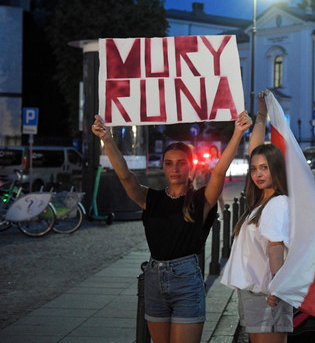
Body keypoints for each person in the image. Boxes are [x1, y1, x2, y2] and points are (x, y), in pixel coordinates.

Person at [91, 111, 251, 343]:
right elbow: (125, 176)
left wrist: (237, 133)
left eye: (180, 163)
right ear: (163, 167)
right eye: (168, 163)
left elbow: (218, 172)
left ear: (190, 166)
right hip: (154, 278)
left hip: (186, 280)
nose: (174, 168)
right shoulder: (151, 198)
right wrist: (107, 139)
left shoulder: (200, 200)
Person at [221, 90, 293, 343]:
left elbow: (275, 248)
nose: (258, 173)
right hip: (256, 292)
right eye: (254, 169)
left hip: (267, 293)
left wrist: (277, 286)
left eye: (265, 168)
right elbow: (256, 149)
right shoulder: (260, 201)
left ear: (277, 169)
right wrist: (261, 114)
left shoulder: (277, 203)